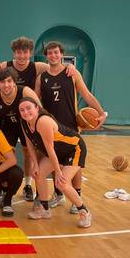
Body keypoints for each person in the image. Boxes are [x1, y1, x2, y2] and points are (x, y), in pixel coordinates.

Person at [35, 41, 106, 212]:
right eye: (50, 53)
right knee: (54, 160)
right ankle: (59, 195)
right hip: (51, 127)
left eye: (56, 53)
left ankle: (77, 196)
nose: (53, 55)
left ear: (61, 54)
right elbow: (36, 103)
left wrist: (101, 112)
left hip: (71, 125)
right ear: (46, 56)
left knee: (75, 163)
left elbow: (87, 95)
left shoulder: (72, 74)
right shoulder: (41, 78)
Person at [18, 97, 92, 228]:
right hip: (57, 152)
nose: (25, 112)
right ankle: (44, 209)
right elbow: (29, 145)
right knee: (39, 173)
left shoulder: (43, 122)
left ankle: (84, 211)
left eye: (28, 108)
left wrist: (58, 171)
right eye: (22, 110)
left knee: (62, 183)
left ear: (37, 107)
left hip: (74, 149)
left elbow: (50, 149)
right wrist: (35, 164)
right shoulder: (24, 122)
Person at [0, 67, 40, 201]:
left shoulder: (25, 91)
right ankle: (1, 186)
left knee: (28, 152)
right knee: (4, 155)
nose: (6, 85)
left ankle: (27, 185)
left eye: (9, 81)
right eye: (3, 82)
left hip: (26, 125)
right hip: (7, 126)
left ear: (14, 81)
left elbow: (40, 111)